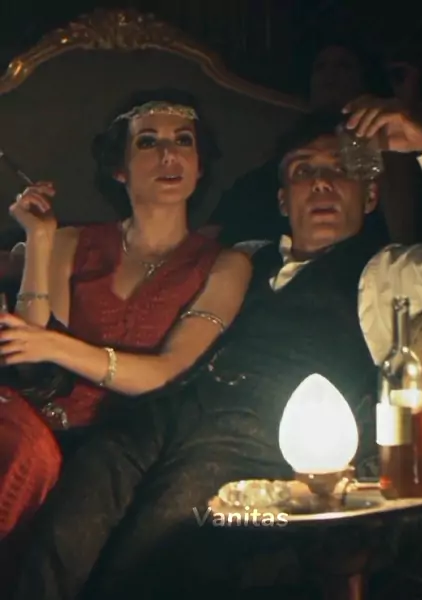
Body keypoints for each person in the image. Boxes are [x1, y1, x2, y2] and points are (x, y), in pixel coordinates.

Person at [12, 97, 422, 599]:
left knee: (157, 546)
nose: (321, 184)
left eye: (339, 171)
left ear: (369, 197)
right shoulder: (245, 257)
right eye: (303, 171)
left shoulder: (388, 273)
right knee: (69, 523)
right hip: (171, 408)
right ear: (282, 200)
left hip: (255, 433)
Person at [0, 88, 252, 543]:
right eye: (148, 142)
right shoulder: (71, 242)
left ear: (199, 166)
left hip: (129, 446)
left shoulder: (225, 264)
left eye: (183, 141)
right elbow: (26, 358)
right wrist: (39, 239)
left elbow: (168, 372)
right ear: (119, 168)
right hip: (39, 429)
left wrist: (56, 345)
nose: (169, 155)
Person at [206, 40, 393, 246]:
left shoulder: (384, 145)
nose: (330, 74)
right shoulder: (286, 151)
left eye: (344, 66)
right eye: (320, 67)